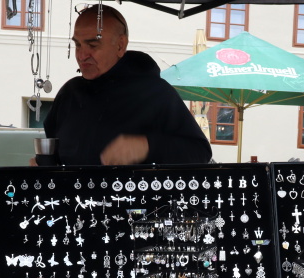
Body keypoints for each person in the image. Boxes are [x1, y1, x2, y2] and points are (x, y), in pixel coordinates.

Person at [37, 5, 212, 166]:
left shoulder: (156, 93)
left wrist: (147, 147)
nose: (82, 55)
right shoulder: (69, 94)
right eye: (77, 44)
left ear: (120, 45)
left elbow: (199, 152)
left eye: (92, 45)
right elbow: (55, 154)